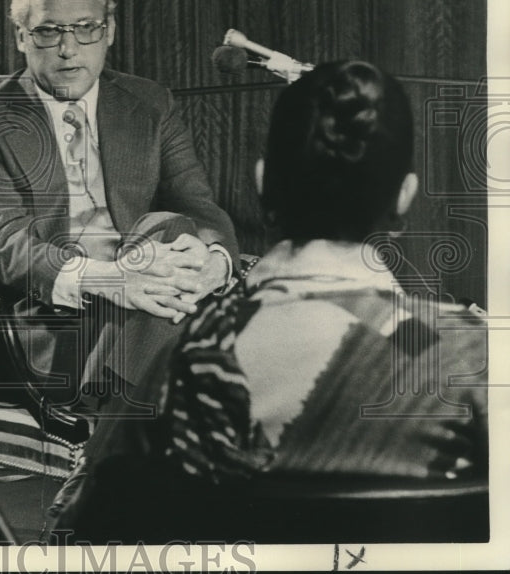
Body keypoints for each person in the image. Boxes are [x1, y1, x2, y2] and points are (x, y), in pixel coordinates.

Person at [53, 60, 488, 541]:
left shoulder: (189, 359)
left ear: (263, 184)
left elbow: (78, 536)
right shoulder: (473, 358)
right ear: (405, 196)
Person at [0, 0, 239, 399]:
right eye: (47, 31)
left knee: (171, 229)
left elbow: (200, 209)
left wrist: (215, 267)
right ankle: (120, 422)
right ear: (21, 36)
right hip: (54, 327)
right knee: (168, 242)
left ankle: (104, 429)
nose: (68, 49)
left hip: (154, 303)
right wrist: (115, 281)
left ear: (109, 30)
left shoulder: (150, 104)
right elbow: (5, 247)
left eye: (85, 28)